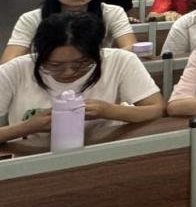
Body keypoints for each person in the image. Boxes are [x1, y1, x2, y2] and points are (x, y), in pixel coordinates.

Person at [0, 12, 164, 144]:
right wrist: (27, 127)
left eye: (81, 63)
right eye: (54, 65)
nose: (68, 72)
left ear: (97, 52)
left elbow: (156, 109)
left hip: (103, 152)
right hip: (30, 159)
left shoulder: (120, 61)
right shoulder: (15, 70)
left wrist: (108, 111)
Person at [2, 0, 136, 63]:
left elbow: (131, 48)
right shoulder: (32, 18)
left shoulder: (112, 12)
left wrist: (85, 65)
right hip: (47, 74)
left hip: (97, 73)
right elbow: (8, 61)